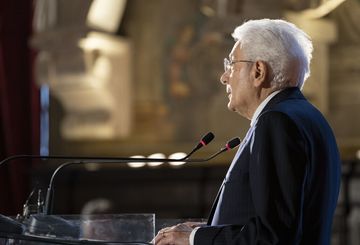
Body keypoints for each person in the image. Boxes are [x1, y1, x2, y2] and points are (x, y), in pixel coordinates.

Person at [153, 19, 341, 245]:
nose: (224, 77)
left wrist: (194, 238)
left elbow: (273, 238)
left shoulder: (276, 121)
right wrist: (210, 229)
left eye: (231, 65)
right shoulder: (307, 116)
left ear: (258, 71)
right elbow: (279, 221)